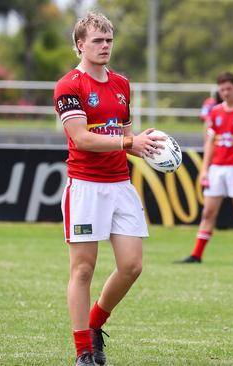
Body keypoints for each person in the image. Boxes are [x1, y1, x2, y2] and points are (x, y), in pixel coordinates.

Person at [53, 12, 165, 366]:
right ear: (80, 44)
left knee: (132, 266)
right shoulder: (69, 85)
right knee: (83, 270)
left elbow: (126, 139)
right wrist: (129, 140)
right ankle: (83, 352)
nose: (104, 46)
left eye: (108, 40)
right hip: (85, 187)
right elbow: (82, 139)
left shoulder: (122, 84)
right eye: (97, 41)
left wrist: (148, 147)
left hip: (119, 185)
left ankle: (95, 323)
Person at [175, 72, 233, 264]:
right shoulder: (215, 112)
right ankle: (196, 255)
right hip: (217, 168)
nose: (226, 92)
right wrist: (205, 169)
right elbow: (210, 143)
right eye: (222, 89)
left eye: (229, 88)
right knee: (208, 212)